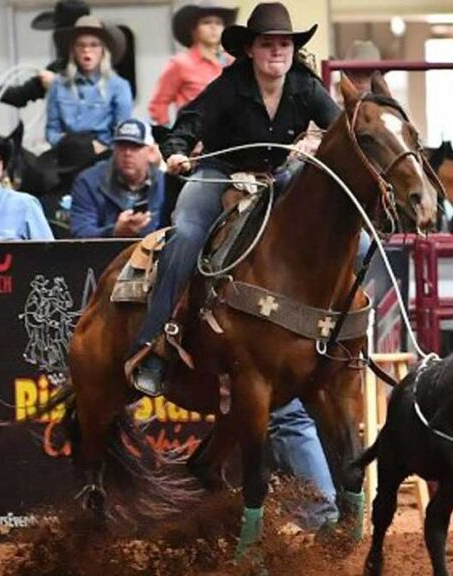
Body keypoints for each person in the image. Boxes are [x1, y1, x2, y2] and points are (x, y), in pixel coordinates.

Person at [133, 2, 341, 531]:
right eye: (269, 44)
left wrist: (321, 144)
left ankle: (339, 334)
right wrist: (177, 153)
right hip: (220, 174)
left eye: (286, 44)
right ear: (250, 49)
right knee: (184, 234)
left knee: (342, 241)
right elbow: (188, 123)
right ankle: (156, 341)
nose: (278, 52)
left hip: (281, 182)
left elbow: (339, 131)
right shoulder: (228, 86)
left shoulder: (306, 86)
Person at [0, 0, 91, 108]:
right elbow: (21, 95)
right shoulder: (58, 67)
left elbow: (99, 102)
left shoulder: (105, 66)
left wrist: (58, 86)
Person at [46, 15, 133, 150]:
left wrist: (103, 148)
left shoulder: (119, 87)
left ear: (103, 50)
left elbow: (123, 132)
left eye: (94, 45)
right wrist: (69, 145)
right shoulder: (58, 85)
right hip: (67, 153)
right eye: (81, 45)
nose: (87, 50)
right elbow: (52, 130)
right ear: (73, 50)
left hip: (102, 155)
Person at [70, 118, 165, 238]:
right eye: (121, 146)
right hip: (104, 254)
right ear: (113, 149)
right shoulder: (88, 182)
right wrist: (114, 232)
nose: (127, 153)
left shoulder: (165, 183)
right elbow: (81, 232)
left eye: (135, 147)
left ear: (150, 152)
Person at [148, 1, 238, 126]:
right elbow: (158, 104)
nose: (214, 27)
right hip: (194, 135)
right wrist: (168, 135)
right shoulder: (180, 63)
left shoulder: (232, 62)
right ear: (194, 30)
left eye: (218, 23)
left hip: (230, 135)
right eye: (206, 22)